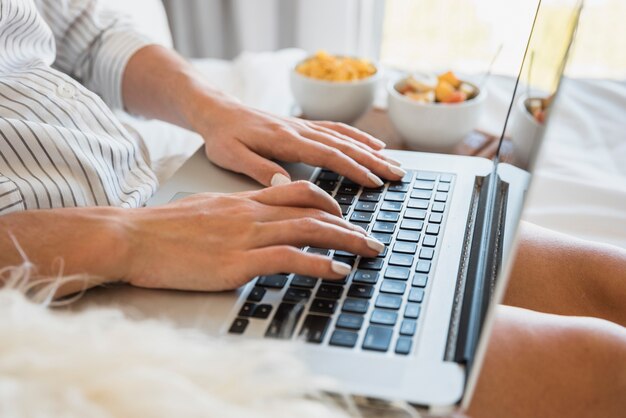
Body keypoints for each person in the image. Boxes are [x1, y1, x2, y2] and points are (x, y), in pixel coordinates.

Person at [0, 2, 624, 417]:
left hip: (166, 202)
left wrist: (214, 109)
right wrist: (129, 238)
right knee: (600, 364)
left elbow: (78, 26)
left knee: (606, 279)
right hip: (59, 293)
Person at [0, 0, 404, 296]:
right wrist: (130, 239)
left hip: (151, 211)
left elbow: (85, 34)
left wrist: (217, 111)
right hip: (43, 298)